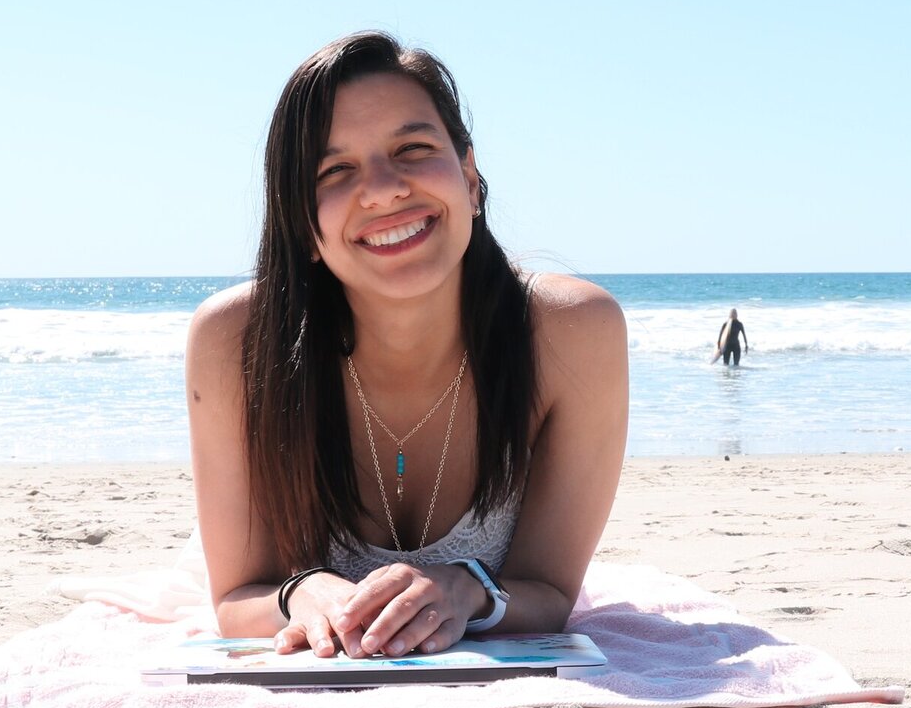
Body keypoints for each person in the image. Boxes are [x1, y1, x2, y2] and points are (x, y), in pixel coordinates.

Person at [185, 32, 629, 662]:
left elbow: (552, 590)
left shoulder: (571, 332)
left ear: (470, 180)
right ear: (303, 226)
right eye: (335, 170)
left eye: (413, 149)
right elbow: (235, 598)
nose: (385, 189)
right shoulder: (237, 342)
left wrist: (465, 589)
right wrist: (303, 593)